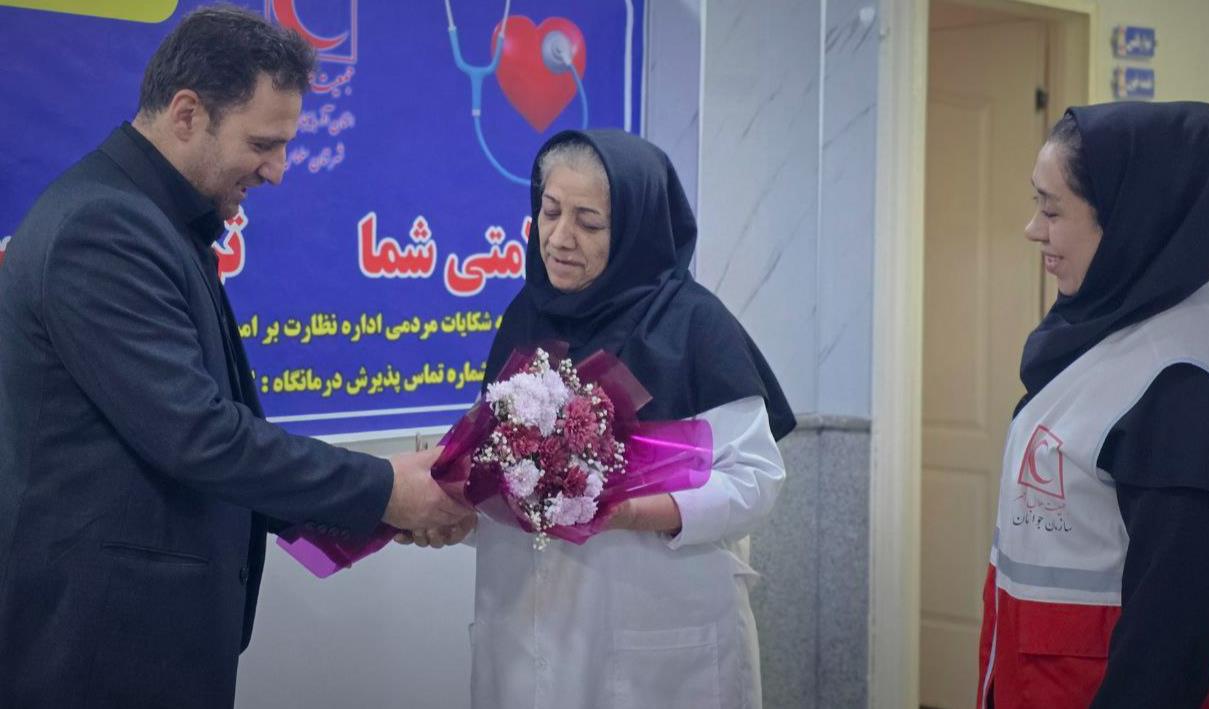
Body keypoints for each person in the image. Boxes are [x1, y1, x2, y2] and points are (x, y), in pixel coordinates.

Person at [0, 6, 470, 707]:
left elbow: (216, 430)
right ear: (187, 114)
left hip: (142, 638)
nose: (277, 171)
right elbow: (198, 435)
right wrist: (383, 490)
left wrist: (382, 506)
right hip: (98, 648)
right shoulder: (102, 228)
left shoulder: (153, 217)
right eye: (263, 143)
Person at [463, 129, 797, 709]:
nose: (559, 238)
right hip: (527, 629)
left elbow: (755, 481)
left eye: (589, 222)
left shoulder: (694, 325)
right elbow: (498, 457)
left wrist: (632, 512)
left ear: (636, 230)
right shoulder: (525, 314)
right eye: (550, 211)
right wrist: (457, 503)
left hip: (654, 637)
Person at [977, 102, 1209, 708]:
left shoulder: (1184, 389)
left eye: (1053, 209)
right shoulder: (1121, 321)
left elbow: (1166, 656)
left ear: (1131, 220)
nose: (1033, 229)